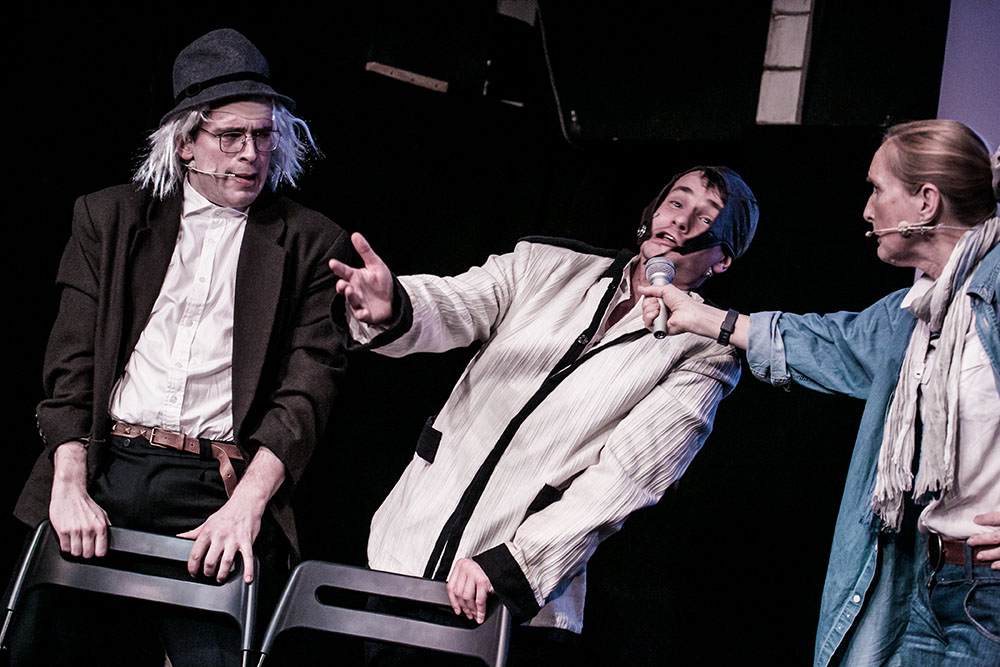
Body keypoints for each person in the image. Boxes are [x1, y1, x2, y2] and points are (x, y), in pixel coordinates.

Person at [7, 28, 351, 666]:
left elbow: (307, 392)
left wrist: (247, 505)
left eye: (264, 136)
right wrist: (70, 482)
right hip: (106, 466)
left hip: (216, 487)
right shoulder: (109, 218)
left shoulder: (310, 242)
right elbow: (71, 367)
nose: (251, 154)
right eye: (231, 136)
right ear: (186, 141)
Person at [329, 165, 758, 662]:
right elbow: (457, 301)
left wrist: (514, 566)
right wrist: (394, 304)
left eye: (705, 218)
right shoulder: (547, 264)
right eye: (676, 203)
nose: (681, 221)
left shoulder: (704, 352)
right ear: (652, 213)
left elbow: (625, 480)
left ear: (722, 259)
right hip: (402, 558)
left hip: (505, 604)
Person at [640, 120, 1000, 666]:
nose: (867, 210)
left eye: (878, 189)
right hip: (926, 579)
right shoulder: (917, 314)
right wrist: (703, 317)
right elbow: (829, 343)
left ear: (925, 203)